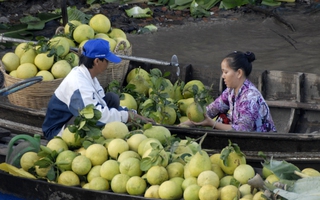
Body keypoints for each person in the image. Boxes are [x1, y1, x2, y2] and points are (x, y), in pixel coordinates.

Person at [42, 38, 154, 140]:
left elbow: (101, 102)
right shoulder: (78, 84)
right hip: (57, 133)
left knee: (111, 99)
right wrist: (126, 117)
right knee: (90, 119)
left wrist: (131, 114)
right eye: (107, 60)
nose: (109, 63)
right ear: (96, 61)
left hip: (76, 116)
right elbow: (94, 116)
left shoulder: (88, 75)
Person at [180, 51, 276, 132]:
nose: (223, 76)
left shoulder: (250, 97)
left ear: (239, 73)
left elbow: (242, 130)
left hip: (261, 141)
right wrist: (181, 126)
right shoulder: (230, 91)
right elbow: (209, 111)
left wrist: (212, 123)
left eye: (226, 72)